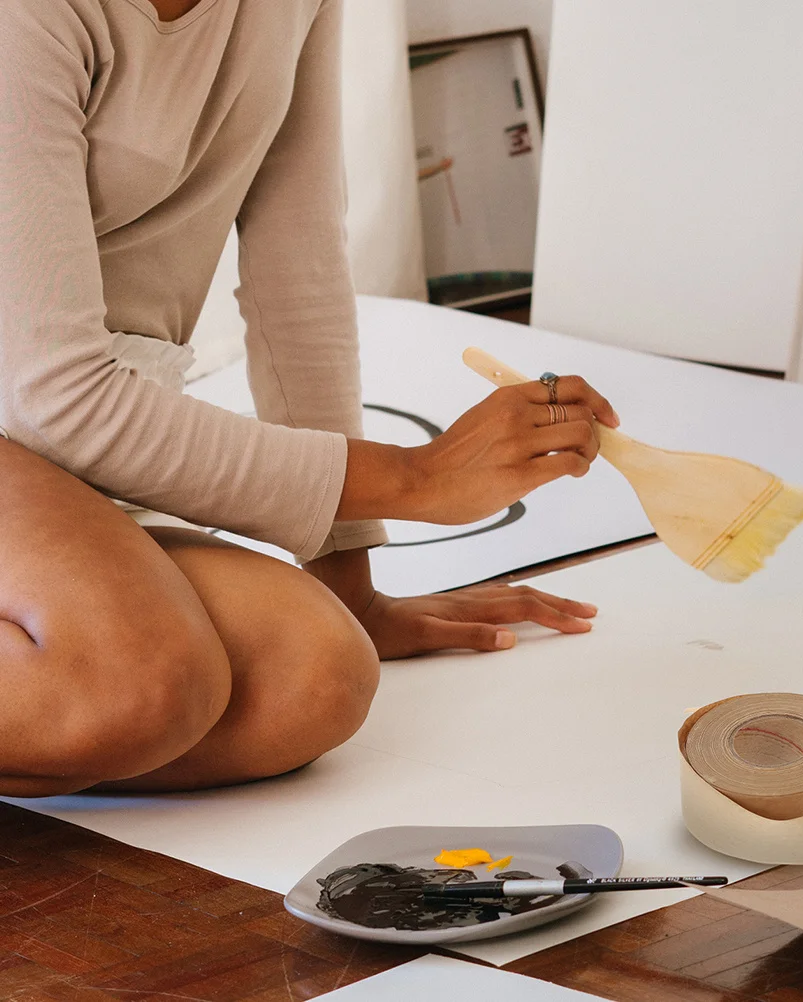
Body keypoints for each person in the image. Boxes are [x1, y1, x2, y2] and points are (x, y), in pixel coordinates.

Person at [0, 0, 620, 798]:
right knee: (142, 684)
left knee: (315, 677)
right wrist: (417, 476)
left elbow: (300, 274)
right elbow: (58, 398)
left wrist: (348, 579)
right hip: (36, 423)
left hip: (57, 459)